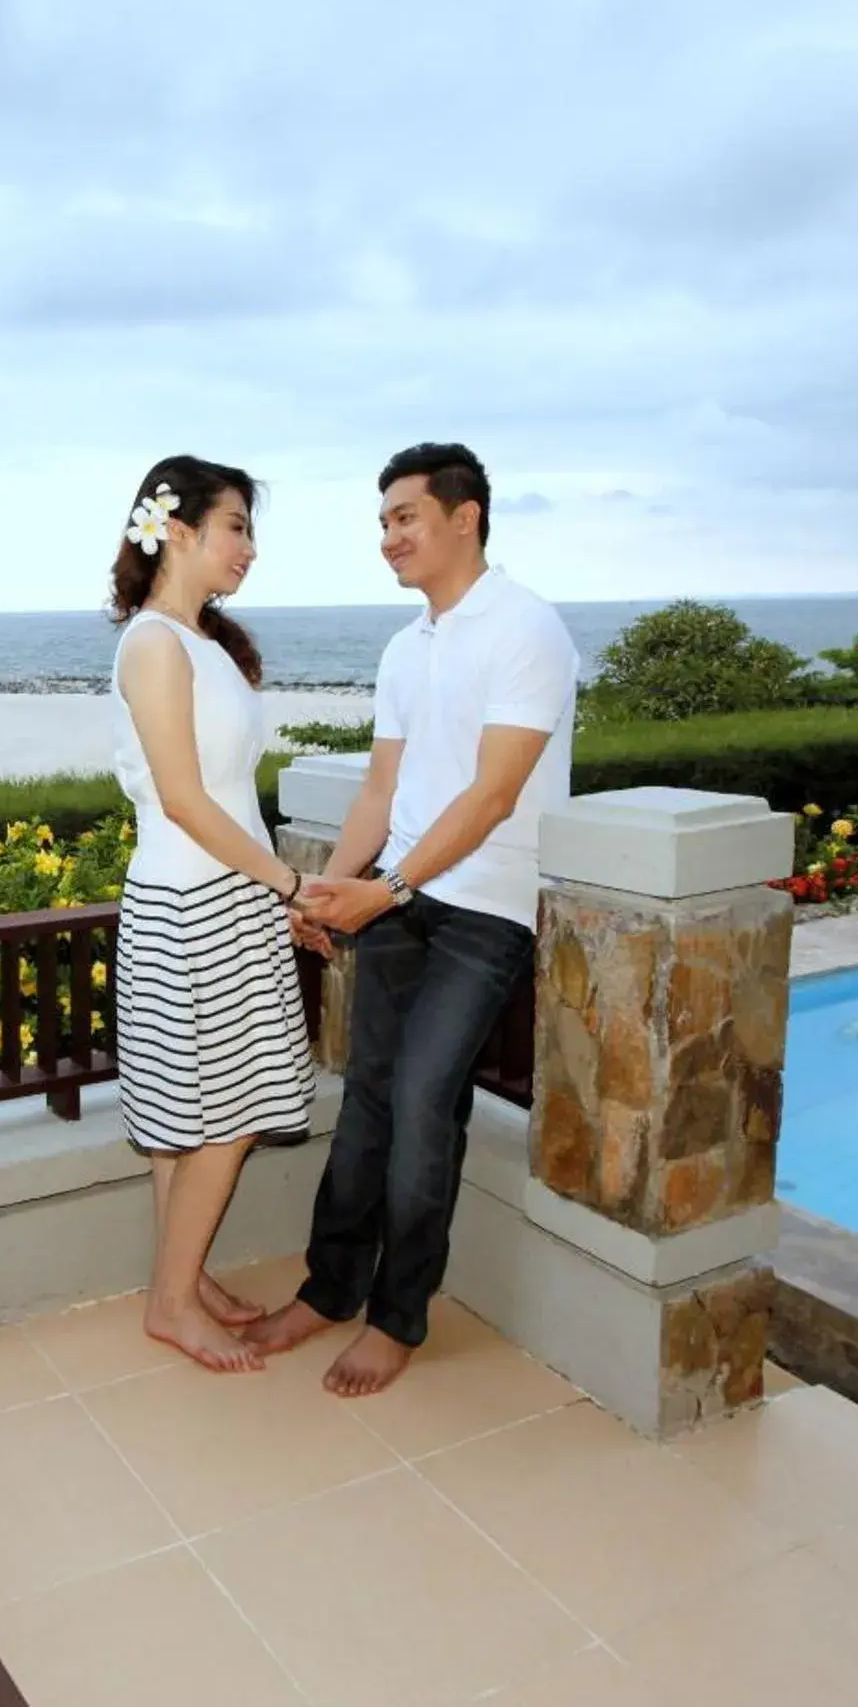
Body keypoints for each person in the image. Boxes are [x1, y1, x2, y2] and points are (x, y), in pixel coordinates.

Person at [255, 443, 578, 1396]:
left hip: (486, 910)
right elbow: (382, 791)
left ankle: (401, 1317)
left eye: (405, 517)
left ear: (464, 516)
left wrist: (383, 891)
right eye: (385, 521)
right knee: (366, 1099)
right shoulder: (408, 647)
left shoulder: (528, 629)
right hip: (401, 895)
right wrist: (320, 894)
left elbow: (492, 796)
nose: (389, 536)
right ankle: (328, 1290)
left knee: (425, 1102)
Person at [108, 455, 321, 1373]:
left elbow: (227, 797)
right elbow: (187, 800)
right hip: (196, 899)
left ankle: (182, 1283)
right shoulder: (153, 643)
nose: (249, 548)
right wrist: (287, 885)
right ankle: (171, 1301)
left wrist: (267, 889)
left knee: (189, 1115)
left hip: (221, 894)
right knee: (224, 1111)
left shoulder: (196, 642)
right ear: (180, 528)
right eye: (236, 526)